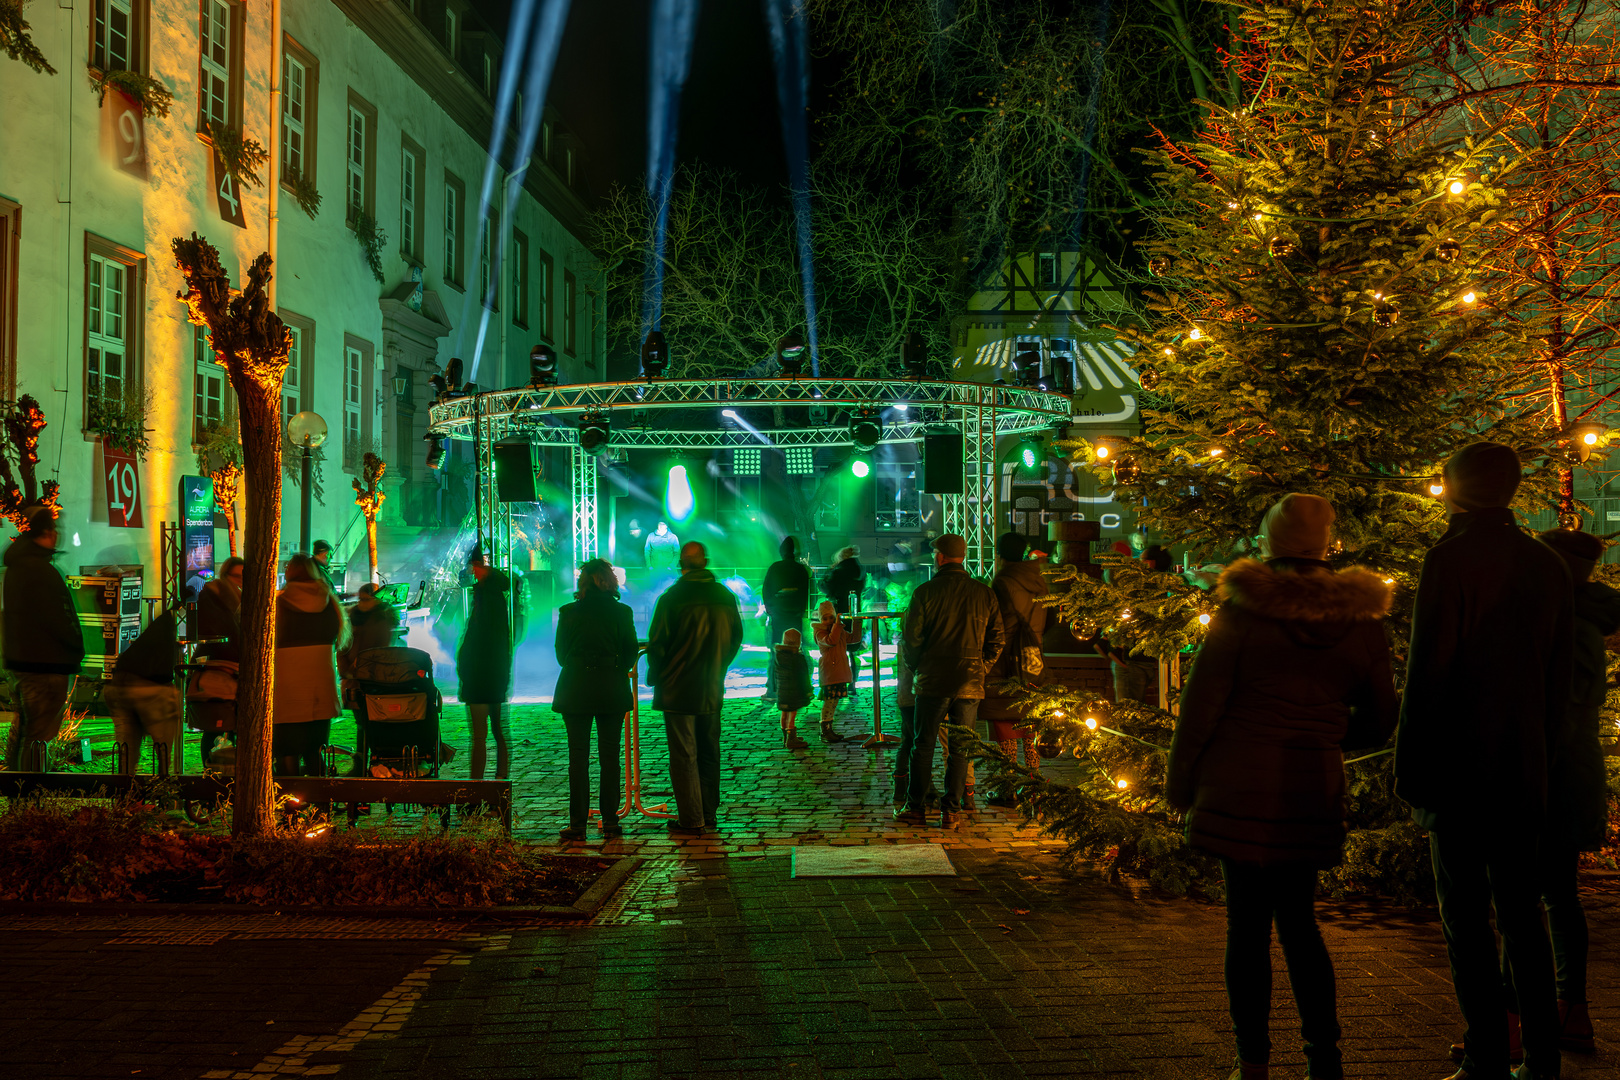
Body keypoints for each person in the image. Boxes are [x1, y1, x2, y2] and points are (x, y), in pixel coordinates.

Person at [1167, 493, 1399, 1080]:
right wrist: (1324, 737)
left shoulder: (1243, 611)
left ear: (1269, 540)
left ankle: (1254, 1063)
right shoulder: (1363, 622)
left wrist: (1181, 778)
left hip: (1236, 782)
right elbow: (1381, 715)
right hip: (1311, 783)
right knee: (1300, 921)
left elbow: (1202, 705)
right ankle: (1325, 1058)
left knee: (1245, 926)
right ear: (1326, 544)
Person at [1394, 442, 1573, 1080]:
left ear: (1456, 488)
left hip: (1459, 769)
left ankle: (1486, 1055)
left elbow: (1429, 671)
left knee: (1466, 921)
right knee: (1523, 916)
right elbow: (1557, 678)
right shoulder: (1545, 564)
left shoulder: (1450, 560)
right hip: (1524, 767)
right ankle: (1541, 1057)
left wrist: (1409, 766)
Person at [1497, 528, 1620, 1056]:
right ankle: (1569, 1010)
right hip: (1572, 771)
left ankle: (1517, 1020)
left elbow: (1545, 708)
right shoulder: (1587, 618)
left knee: (1520, 898)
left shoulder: (1559, 623)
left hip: (1548, 771)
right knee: (1556, 892)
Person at [897, 534, 1005, 829]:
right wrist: (980, 667)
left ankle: (916, 807)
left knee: (923, 746)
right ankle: (952, 811)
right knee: (960, 749)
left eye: (934, 554)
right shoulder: (984, 594)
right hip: (969, 682)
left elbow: (911, 640)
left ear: (941, 557)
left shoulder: (925, 592)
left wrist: (918, 667)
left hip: (933, 681)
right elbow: (997, 639)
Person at [645, 542, 742, 835]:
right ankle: (708, 814)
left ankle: (691, 818)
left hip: (677, 689)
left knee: (684, 755)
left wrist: (657, 675)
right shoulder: (724, 596)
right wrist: (719, 666)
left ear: (681, 565)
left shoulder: (671, 597)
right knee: (709, 751)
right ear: (706, 562)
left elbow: (657, 644)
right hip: (711, 685)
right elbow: (735, 638)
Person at [552, 558, 639, 841]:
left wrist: (579, 664)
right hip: (610, 685)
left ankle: (577, 823)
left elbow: (560, 653)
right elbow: (629, 651)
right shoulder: (622, 612)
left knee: (578, 758)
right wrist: (614, 669)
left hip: (576, 685)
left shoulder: (568, 612)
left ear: (583, 583)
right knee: (610, 757)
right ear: (609, 581)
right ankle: (610, 820)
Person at [3, 508, 84, 771]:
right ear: (47, 534)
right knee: (39, 735)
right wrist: (75, 646)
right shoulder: (40, 571)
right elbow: (57, 617)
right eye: (55, 531)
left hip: (24, 662)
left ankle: (17, 786)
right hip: (47, 664)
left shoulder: (18, 567)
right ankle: (29, 791)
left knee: (28, 730)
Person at [272, 553, 348, 776]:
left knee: (286, 748)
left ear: (289, 573)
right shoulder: (330, 603)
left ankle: (290, 803)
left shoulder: (279, 604)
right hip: (320, 688)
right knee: (315, 749)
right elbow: (338, 639)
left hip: (287, 688)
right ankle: (321, 801)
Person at [986, 532, 1048, 799]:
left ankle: (1008, 786)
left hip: (1006, 657)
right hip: (1033, 655)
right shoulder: (1038, 579)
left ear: (999, 554)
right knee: (1030, 718)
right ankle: (1033, 781)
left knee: (1003, 717)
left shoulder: (1002, 580)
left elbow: (995, 622)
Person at [458, 547, 521, 780]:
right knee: (497, 732)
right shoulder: (493, 594)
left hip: (480, 675)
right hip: (492, 674)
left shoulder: (487, 597)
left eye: (474, 567)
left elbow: (479, 638)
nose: (473, 572)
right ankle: (499, 782)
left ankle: (480, 786)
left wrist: (464, 666)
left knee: (481, 736)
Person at [107, 601, 183, 776]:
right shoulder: (167, 629)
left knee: (127, 749)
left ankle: (125, 794)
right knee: (163, 749)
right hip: (153, 687)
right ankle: (163, 790)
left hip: (120, 683)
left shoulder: (155, 631)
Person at [339, 583, 400, 775]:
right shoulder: (351, 616)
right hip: (353, 678)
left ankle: (376, 762)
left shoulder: (382, 618)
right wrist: (346, 670)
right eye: (361, 599)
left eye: (366, 599)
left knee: (373, 723)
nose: (362, 604)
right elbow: (342, 644)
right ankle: (362, 763)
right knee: (362, 723)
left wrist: (360, 665)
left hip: (375, 678)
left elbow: (381, 648)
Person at [191, 556, 244, 763]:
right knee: (218, 722)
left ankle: (221, 765)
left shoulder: (236, 596)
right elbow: (217, 631)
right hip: (220, 666)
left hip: (233, 665)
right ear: (226, 575)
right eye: (237, 576)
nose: (240, 580)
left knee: (226, 723)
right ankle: (212, 767)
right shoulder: (216, 595)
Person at [761, 536, 811, 703]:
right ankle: (801, 689)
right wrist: (800, 611)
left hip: (779, 616)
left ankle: (773, 690)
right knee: (796, 653)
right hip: (795, 617)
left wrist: (771, 611)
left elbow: (766, 591)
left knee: (776, 653)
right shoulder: (801, 569)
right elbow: (807, 592)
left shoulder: (775, 568)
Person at [823, 545, 867, 691]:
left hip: (839, 614)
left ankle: (839, 681)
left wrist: (829, 571)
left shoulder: (838, 571)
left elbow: (826, 587)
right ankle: (853, 683)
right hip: (854, 613)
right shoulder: (859, 570)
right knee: (852, 650)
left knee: (838, 649)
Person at [812, 601, 853, 743]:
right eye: (825, 618)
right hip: (830, 671)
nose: (829, 621)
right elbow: (831, 641)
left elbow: (854, 638)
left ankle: (829, 729)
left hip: (839, 671)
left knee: (834, 702)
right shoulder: (819, 632)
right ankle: (825, 731)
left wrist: (857, 622)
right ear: (820, 619)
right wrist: (837, 625)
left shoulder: (838, 629)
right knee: (829, 702)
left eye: (831, 617)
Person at [773, 628, 812, 749]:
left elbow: (774, 674)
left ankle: (785, 736)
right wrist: (808, 690)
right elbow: (804, 676)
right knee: (792, 714)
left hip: (782, 692)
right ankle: (791, 738)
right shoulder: (797, 657)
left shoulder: (779, 656)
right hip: (794, 692)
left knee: (784, 713)